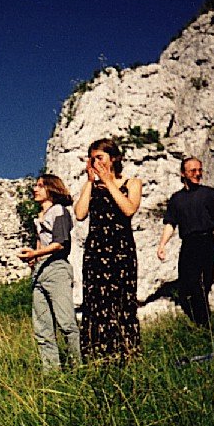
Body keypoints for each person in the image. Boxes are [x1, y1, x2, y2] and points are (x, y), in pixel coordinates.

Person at [74, 138, 142, 362]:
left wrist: (108, 181)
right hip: (96, 250)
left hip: (121, 250)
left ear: (113, 159)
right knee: (95, 302)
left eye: (100, 157)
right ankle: (97, 356)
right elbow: (80, 213)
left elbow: (129, 209)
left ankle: (126, 354)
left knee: (122, 300)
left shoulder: (132, 183)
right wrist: (90, 181)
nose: (96, 162)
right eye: (92, 158)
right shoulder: (91, 187)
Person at [157, 157, 214, 327]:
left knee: (204, 284)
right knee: (189, 284)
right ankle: (203, 323)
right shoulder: (176, 199)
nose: (197, 174)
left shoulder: (209, 194)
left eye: (199, 170)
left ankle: (205, 325)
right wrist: (162, 244)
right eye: (193, 171)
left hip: (206, 242)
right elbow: (170, 223)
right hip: (189, 245)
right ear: (183, 173)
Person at [18, 175, 81, 371]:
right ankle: (52, 372)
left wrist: (36, 254)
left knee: (66, 323)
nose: (35, 189)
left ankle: (78, 367)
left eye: (41, 186)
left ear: (52, 189)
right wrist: (34, 258)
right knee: (42, 327)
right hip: (40, 271)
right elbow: (41, 243)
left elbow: (60, 243)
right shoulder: (40, 216)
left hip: (56, 270)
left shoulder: (59, 211)